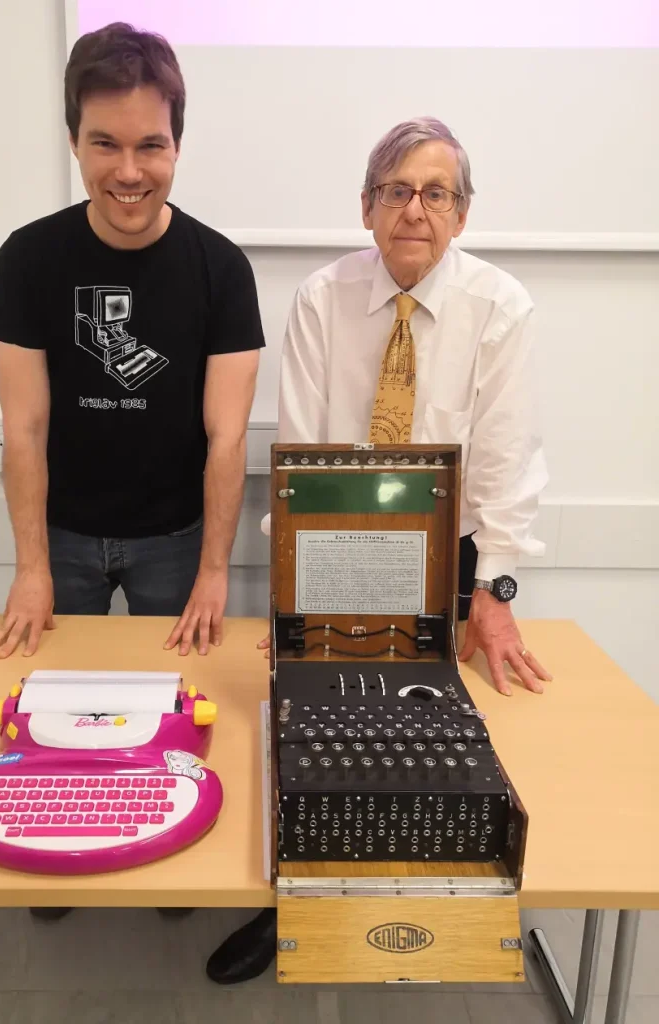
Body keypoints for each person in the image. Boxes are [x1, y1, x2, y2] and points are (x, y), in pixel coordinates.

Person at [205, 116, 552, 984]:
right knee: (312, 727)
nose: (414, 209)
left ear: (462, 214)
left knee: (427, 741)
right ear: (366, 207)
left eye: (436, 193)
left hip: (450, 559)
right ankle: (288, 903)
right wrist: (296, 602)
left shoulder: (501, 307)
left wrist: (496, 593)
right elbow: (306, 455)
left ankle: (410, 916)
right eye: (396, 190)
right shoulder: (322, 297)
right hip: (335, 546)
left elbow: (507, 463)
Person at [0, 23, 264, 921]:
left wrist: (216, 572)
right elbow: (24, 427)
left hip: (177, 540)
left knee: (171, 720)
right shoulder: (28, 258)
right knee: (55, 714)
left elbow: (228, 439)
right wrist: (31, 566)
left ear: (178, 143)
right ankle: (55, 845)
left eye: (151, 144)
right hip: (60, 534)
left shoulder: (222, 269)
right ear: (74, 139)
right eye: (105, 143)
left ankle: (162, 849)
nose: (129, 169)